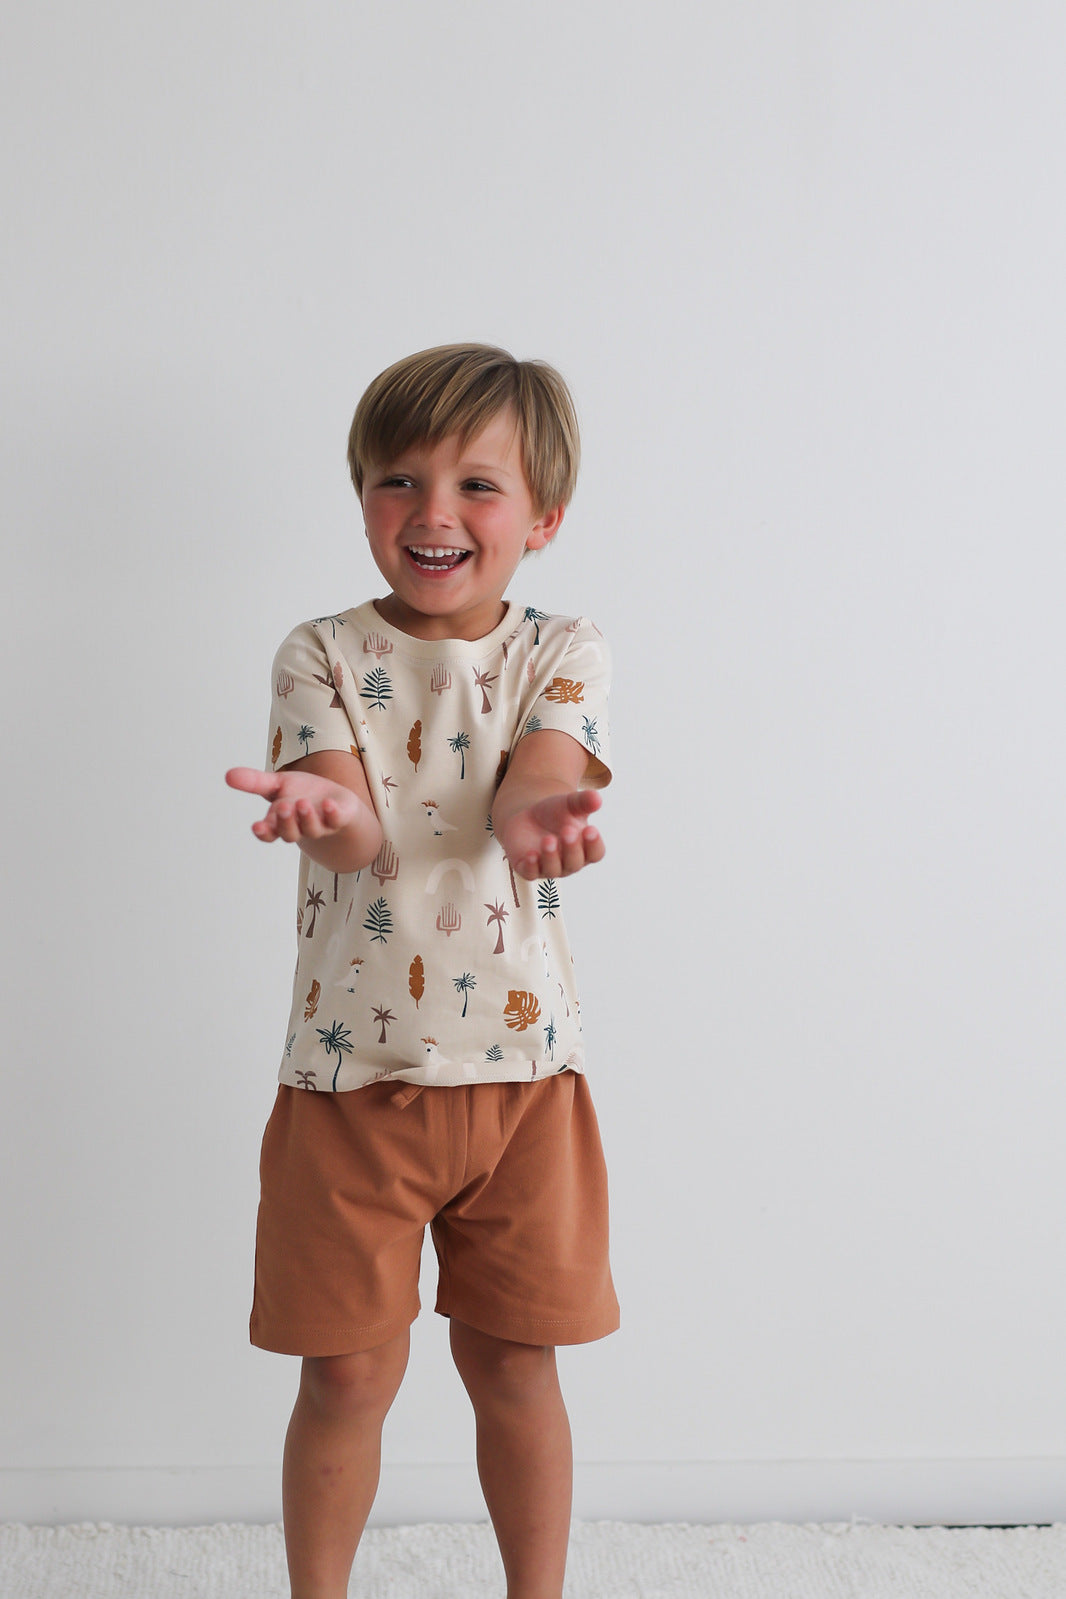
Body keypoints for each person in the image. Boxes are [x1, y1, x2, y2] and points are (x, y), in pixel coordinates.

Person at [226, 343, 618, 1599]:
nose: (433, 511)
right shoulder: (320, 653)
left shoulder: (561, 649)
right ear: (361, 500)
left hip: (523, 1089)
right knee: (346, 1372)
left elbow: (537, 780)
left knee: (515, 1363)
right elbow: (356, 824)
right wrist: (307, 805)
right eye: (398, 479)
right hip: (352, 1086)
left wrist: (543, 819)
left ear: (542, 518)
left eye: (476, 486)